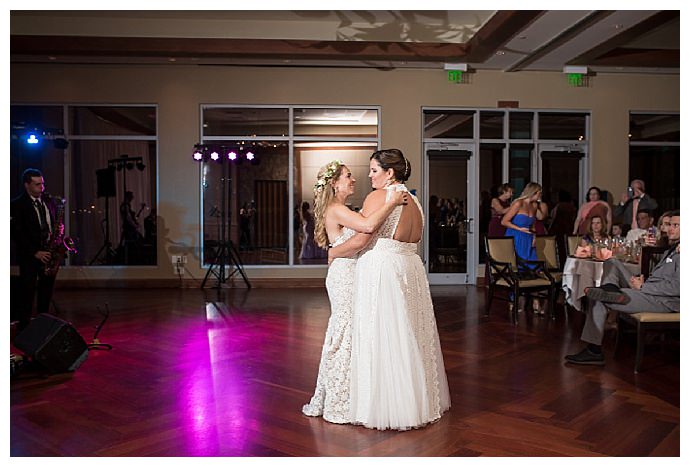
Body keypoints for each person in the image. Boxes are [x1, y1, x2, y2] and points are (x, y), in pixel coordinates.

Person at [328, 149, 451, 430]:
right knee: (410, 334)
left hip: (383, 268)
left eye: (373, 170)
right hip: (410, 266)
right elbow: (415, 237)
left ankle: (385, 406)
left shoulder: (379, 197)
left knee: (381, 334)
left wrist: (335, 253)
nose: (369, 176)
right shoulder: (416, 201)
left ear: (389, 173)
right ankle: (418, 404)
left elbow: (361, 240)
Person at [302, 160, 407, 424]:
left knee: (351, 331)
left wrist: (335, 250)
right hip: (344, 276)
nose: (354, 180)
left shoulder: (342, 208)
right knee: (344, 332)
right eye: (348, 176)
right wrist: (391, 203)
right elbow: (368, 228)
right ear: (335, 183)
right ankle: (338, 399)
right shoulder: (336, 208)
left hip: (350, 271)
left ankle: (351, 394)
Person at [565, 210, 679, 366]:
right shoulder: (672, 249)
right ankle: (610, 288)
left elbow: (678, 287)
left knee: (599, 298)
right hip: (649, 288)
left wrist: (644, 286)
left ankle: (594, 350)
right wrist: (643, 281)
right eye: (669, 225)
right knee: (612, 262)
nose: (669, 229)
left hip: (663, 300)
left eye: (675, 225)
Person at [10, 168, 57, 332]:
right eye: (37, 185)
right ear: (27, 185)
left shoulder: (48, 201)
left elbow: (53, 223)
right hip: (30, 256)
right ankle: (24, 328)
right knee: (27, 292)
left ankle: (43, 324)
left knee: (46, 292)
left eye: (42, 184)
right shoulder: (16, 205)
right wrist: (35, 252)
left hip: (49, 253)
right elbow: (16, 233)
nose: (41, 188)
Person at [501, 182, 545, 313]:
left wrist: (534, 236)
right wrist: (519, 228)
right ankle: (514, 300)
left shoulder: (535, 205)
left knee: (535, 267)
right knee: (518, 268)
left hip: (528, 238)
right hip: (516, 237)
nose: (540, 195)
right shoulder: (518, 204)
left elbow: (532, 224)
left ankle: (535, 302)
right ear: (533, 192)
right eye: (539, 193)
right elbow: (504, 221)